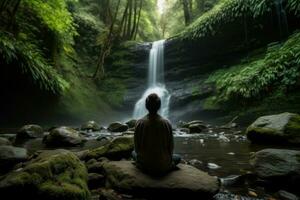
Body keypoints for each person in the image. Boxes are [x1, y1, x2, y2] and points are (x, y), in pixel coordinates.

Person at [133, 93, 181, 175]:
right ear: (159, 106)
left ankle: (142, 165)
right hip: (163, 165)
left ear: (146, 106)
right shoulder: (166, 123)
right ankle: (168, 166)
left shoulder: (139, 123)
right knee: (178, 157)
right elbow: (171, 147)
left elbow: (137, 148)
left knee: (133, 153)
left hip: (145, 164)